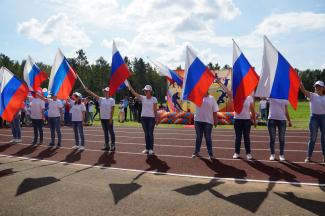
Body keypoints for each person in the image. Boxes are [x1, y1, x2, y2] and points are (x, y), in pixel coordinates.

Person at [128, 84, 158, 155]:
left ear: (150, 91)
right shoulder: (142, 98)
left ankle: (151, 149)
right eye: (144, 91)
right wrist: (130, 87)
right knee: (146, 134)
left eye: (146, 90)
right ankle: (147, 148)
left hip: (151, 118)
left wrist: (156, 118)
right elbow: (134, 93)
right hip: (143, 118)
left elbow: (155, 110)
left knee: (150, 134)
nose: (145, 92)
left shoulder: (154, 99)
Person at [300, 80, 325, 163]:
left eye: (319, 86)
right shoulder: (312, 95)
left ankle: (324, 157)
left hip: (323, 118)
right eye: (316, 86)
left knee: (324, 139)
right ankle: (309, 156)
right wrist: (300, 83)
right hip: (314, 118)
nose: (317, 87)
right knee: (312, 138)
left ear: (323, 88)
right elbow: (303, 90)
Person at [85, 87, 116, 152]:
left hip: (108, 119)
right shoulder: (101, 99)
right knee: (105, 133)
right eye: (104, 91)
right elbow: (94, 95)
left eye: (106, 91)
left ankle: (113, 145)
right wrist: (88, 91)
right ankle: (107, 145)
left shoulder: (112, 100)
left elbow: (113, 110)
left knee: (111, 132)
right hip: (103, 119)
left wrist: (110, 118)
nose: (105, 92)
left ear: (109, 92)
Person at [191, 91, 218, 160]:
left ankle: (210, 153)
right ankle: (196, 152)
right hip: (197, 121)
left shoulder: (211, 98)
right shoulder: (197, 97)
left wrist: (215, 120)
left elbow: (215, 110)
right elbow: (189, 95)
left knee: (208, 137)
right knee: (199, 137)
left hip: (208, 121)